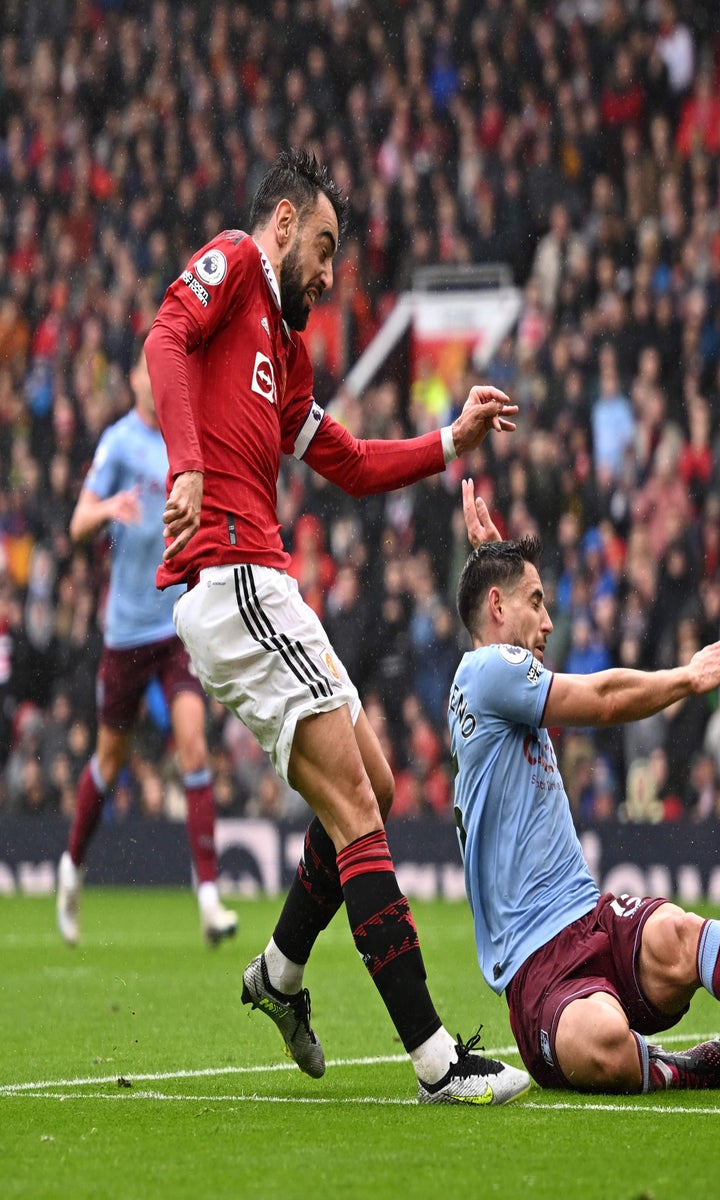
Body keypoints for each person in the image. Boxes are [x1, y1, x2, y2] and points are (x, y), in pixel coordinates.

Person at [144, 148, 527, 1105]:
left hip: (266, 578)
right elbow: (163, 338)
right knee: (357, 809)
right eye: (320, 246)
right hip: (229, 573)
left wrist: (448, 443)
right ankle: (436, 1058)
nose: (328, 270)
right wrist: (187, 464)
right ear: (281, 222)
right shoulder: (235, 257)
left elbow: (347, 462)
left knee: (380, 784)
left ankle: (278, 972)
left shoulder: (290, 348)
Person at [445, 481, 720, 1094]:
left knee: (678, 934)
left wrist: (489, 555)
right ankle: (675, 1068)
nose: (550, 621)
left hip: (593, 915)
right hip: (537, 967)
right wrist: (685, 677)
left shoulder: (486, 679)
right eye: (537, 602)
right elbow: (600, 700)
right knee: (599, 1041)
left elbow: (495, 609)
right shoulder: (491, 671)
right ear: (498, 607)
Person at [55, 342, 239, 949]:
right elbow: (78, 525)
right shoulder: (118, 443)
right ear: (134, 379)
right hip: (124, 634)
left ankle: (209, 896)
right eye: (145, 368)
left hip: (173, 627)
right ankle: (71, 868)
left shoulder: (185, 442)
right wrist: (110, 505)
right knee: (108, 761)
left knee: (193, 743)